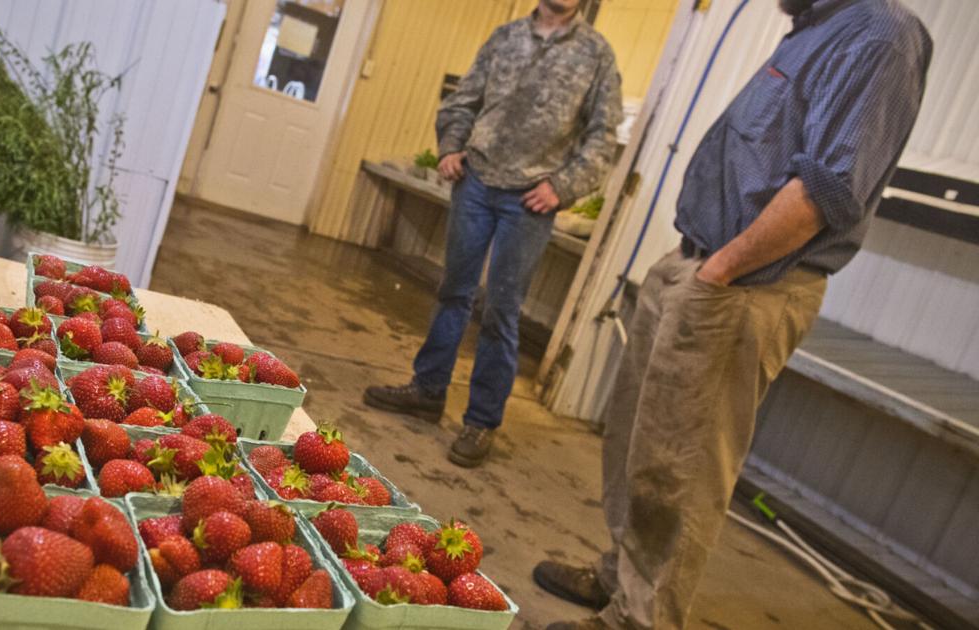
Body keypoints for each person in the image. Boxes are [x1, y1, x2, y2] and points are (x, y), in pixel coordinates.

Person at [533, 0, 933, 628]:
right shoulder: (813, 28)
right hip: (699, 264)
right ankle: (622, 581)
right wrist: (696, 264)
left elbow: (829, 189)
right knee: (640, 447)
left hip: (745, 284)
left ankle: (640, 619)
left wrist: (721, 271)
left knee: (680, 473)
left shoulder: (880, 32)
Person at [363, 0, 623, 468]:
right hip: (476, 184)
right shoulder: (505, 38)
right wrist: (450, 148)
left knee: (501, 311)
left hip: (530, 200)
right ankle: (427, 390)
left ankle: (482, 421)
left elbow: (603, 139)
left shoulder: (596, 54)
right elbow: (464, 101)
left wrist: (561, 187)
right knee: (453, 292)